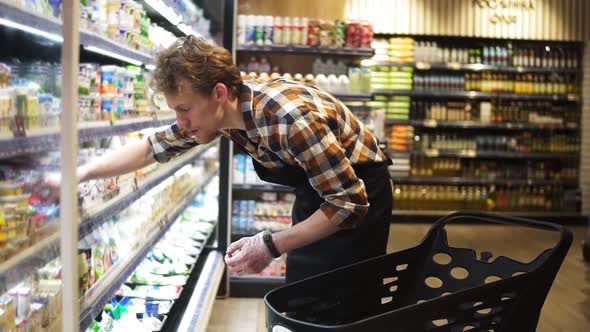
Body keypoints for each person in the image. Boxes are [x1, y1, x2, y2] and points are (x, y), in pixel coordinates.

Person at [72, 35, 393, 283]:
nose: (180, 122)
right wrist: (80, 173)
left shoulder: (287, 120)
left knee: (342, 304)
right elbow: (150, 148)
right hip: (320, 191)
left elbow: (348, 202)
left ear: (219, 94)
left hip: (361, 190)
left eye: (184, 109)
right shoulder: (221, 117)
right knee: (304, 295)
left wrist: (269, 245)